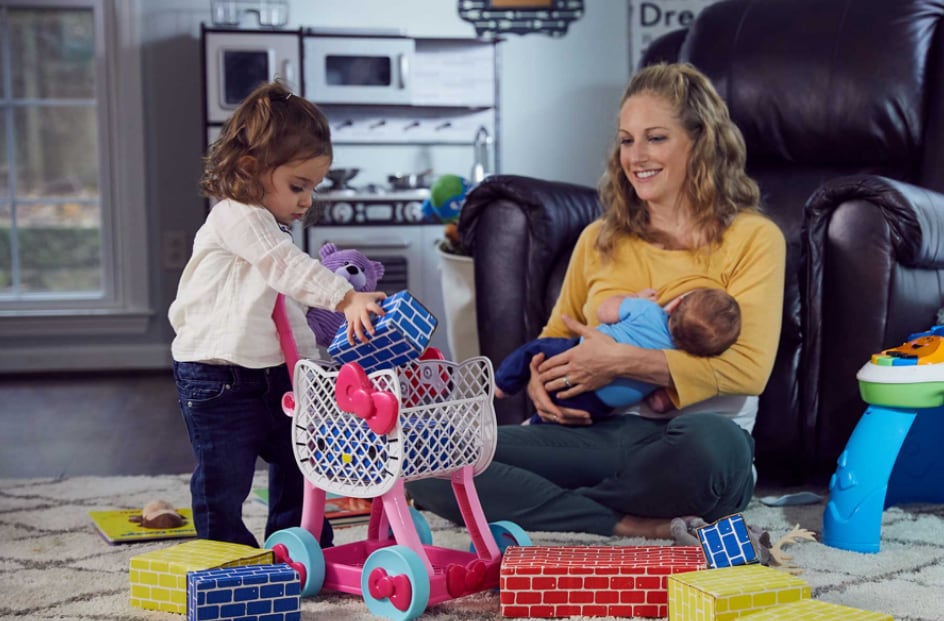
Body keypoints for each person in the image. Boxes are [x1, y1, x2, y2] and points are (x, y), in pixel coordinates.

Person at [406, 62, 786, 542]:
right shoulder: (599, 239)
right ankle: (623, 521)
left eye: (655, 138)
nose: (636, 156)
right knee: (428, 460)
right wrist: (540, 384)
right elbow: (553, 339)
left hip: (690, 441)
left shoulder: (753, 238)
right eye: (627, 140)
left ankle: (545, 502)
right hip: (590, 436)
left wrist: (620, 361)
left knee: (714, 449)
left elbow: (748, 370)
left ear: (700, 141)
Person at [168, 81, 386, 548]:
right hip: (218, 376)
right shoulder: (238, 216)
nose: (307, 200)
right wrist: (345, 297)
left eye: (312, 187)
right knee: (224, 475)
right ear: (251, 169)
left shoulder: (270, 228)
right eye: (297, 186)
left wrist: (316, 366)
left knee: (300, 459)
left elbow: (287, 307)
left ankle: (300, 542)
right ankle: (224, 554)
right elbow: (286, 267)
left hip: (274, 377)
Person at [495, 287, 741, 424]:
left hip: (573, 353)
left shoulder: (647, 310)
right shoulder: (673, 361)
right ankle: (533, 425)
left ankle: (502, 384)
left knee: (534, 350)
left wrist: (633, 298)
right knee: (564, 423)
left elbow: (605, 311)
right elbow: (658, 405)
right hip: (600, 406)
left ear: (675, 304)